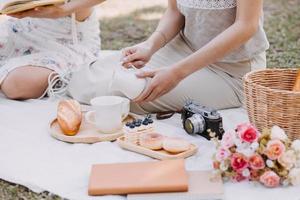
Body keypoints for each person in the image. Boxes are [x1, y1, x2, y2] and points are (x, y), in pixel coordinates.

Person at [69, 0, 269, 114]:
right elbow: (174, 12)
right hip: (181, 50)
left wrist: (176, 73)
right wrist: (150, 46)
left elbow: (246, 26)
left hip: (229, 72)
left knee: (122, 93)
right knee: (87, 78)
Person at [0, 0, 106, 99]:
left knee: (16, 85)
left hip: (69, 41)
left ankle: (66, 75)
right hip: (23, 28)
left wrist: (63, 10)